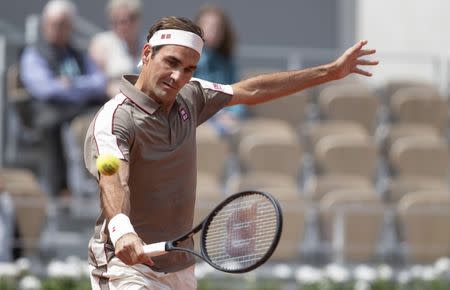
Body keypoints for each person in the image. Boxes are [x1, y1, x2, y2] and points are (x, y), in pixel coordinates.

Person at [84, 16, 377, 290]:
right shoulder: (115, 119)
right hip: (126, 266)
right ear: (147, 53)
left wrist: (331, 72)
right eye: (171, 62)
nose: (178, 77)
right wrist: (123, 230)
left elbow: (251, 91)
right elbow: (114, 180)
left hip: (180, 267)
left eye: (188, 69)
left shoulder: (192, 95)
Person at [20, 0, 107, 197]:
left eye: (64, 24)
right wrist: (78, 87)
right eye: (55, 24)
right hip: (49, 110)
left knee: (109, 114)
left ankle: (107, 181)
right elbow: (45, 89)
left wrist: (72, 84)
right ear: (45, 26)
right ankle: (60, 189)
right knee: (51, 125)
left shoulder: (79, 54)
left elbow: (99, 82)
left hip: (79, 108)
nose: (59, 29)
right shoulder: (34, 53)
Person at [194, 4, 246, 136]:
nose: (214, 31)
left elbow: (238, 92)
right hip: (197, 119)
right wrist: (216, 115)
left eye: (218, 27)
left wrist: (234, 114)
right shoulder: (190, 60)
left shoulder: (227, 63)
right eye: (209, 26)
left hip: (226, 120)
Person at [89, 0, 143, 98]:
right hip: (113, 99)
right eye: (119, 20)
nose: (126, 24)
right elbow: (98, 81)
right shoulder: (101, 42)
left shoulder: (146, 44)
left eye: (131, 18)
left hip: (143, 98)